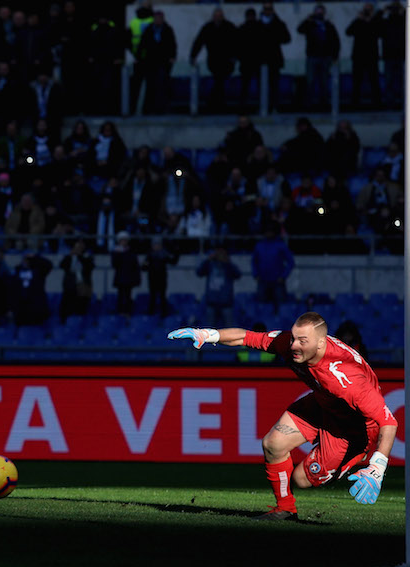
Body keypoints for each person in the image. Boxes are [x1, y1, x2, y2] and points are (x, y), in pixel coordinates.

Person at [167, 312, 399, 520]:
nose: (294, 345)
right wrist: (208, 334)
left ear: (320, 344)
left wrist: (377, 466)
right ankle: (285, 509)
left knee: (301, 479)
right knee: (273, 444)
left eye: (302, 341)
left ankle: (347, 461)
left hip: (351, 431)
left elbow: (389, 422)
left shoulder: (347, 379)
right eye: (293, 338)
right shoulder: (289, 344)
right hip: (323, 403)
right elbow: (246, 337)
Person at [189, 8, 236, 113]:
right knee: (219, 79)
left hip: (226, 60)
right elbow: (199, 42)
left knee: (220, 80)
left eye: (220, 16)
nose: (218, 18)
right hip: (214, 60)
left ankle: (214, 103)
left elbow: (236, 42)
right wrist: (193, 56)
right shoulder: (208, 28)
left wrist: (235, 56)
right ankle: (217, 103)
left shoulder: (229, 27)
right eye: (216, 16)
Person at [296, 4, 340, 110]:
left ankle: (324, 103)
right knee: (310, 81)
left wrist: (335, 56)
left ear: (324, 13)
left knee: (324, 82)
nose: (319, 14)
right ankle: (308, 103)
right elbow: (300, 30)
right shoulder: (310, 25)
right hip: (312, 57)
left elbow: (335, 41)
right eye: (317, 12)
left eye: (321, 12)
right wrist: (307, 20)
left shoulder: (329, 25)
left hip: (326, 57)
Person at [137, 11, 176, 115]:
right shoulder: (149, 30)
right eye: (156, 18)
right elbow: (142, 45)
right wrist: (139, 58)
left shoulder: (168, 30)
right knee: (150, 85)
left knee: (163, 84)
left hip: (163, 62)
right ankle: (149, 109)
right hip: (150, 62)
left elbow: (172, 44)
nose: (158, 20)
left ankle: (162, 108)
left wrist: (172, 57)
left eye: (160, 18)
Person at [346, 2, 383, 109]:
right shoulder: (358, 22)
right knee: (357, 80)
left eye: (369, 9)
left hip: (372, 56)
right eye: (365, 9)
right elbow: (348, 32)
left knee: (374, 80)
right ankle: (355, 103)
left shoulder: (376, 22)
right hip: (358, 56)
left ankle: (377, 102)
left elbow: (380, 32)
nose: (367, 12)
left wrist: (372, 19)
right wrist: (358, 20)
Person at [252, 221, 294, 311]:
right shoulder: (259, 245)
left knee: (281, 308)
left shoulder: (281, 245)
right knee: (262, 308)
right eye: (267, 231)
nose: (269, 233)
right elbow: (253, 261)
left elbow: (291, 262)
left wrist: (283, 276)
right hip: (263, 281)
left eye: (271, 231)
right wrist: (256, 274)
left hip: (278, 282)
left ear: (275, 232)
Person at [196, 245, 242, 324]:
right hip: (211, 303)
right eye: (218, 251)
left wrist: (228, 262)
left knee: (229, 330)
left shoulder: (228, 265)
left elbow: (238, 275)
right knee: (210, 332)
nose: (220, 254)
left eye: (222, 252)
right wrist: (207, 260)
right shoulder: (210, 264)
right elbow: (199, 273)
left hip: (226, 303)